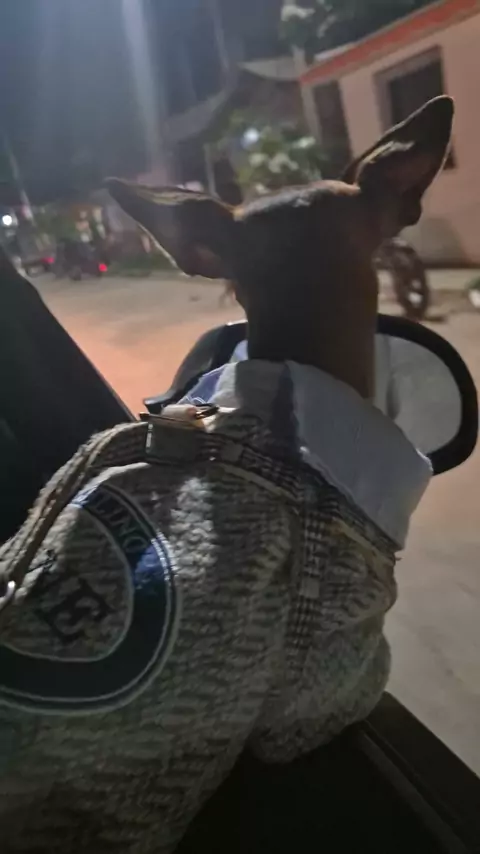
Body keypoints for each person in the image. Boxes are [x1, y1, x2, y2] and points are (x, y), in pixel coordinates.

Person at [0, 96, 453, 853]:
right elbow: (296, 727)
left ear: (201, 253)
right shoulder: (326, 545)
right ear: (399, 200)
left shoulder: (117, 454)